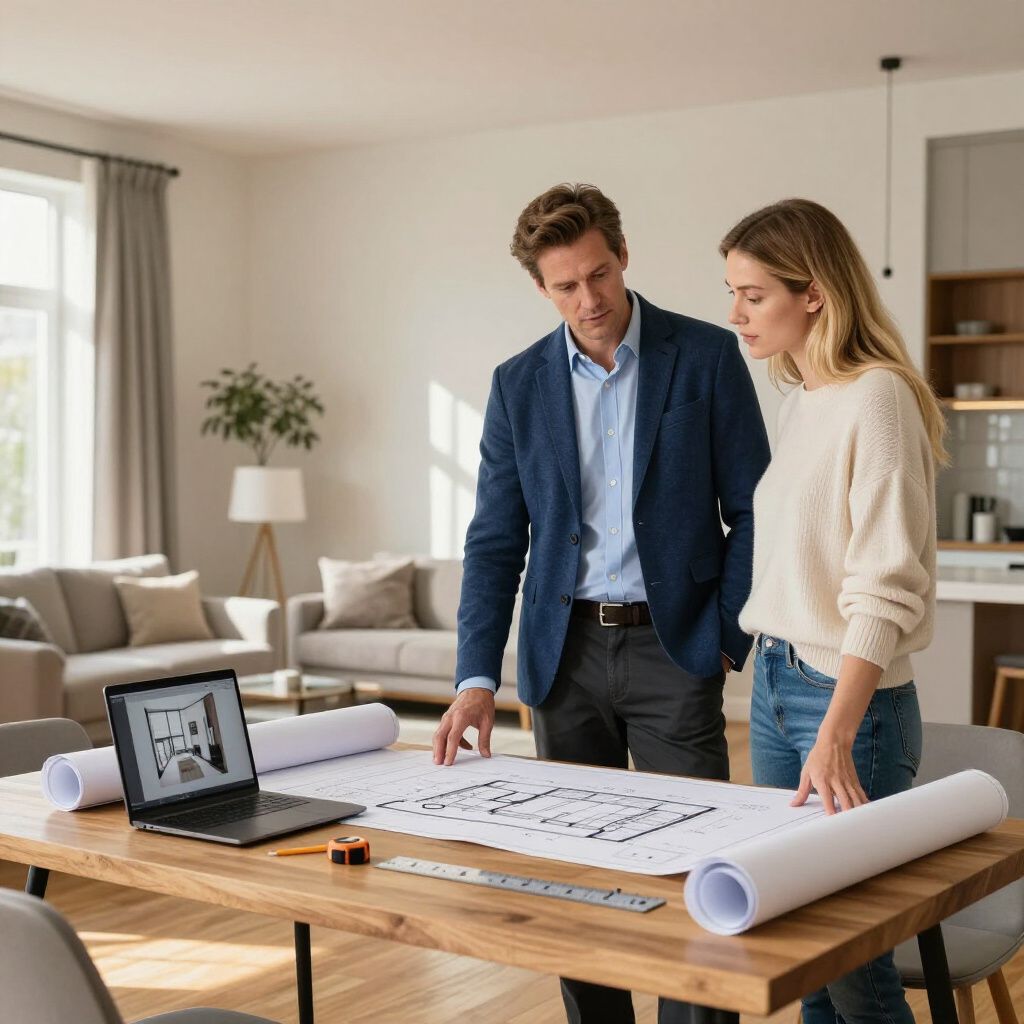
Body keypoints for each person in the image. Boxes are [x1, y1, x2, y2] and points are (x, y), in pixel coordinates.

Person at [432, 182, 770, 1024]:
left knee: (696, 869)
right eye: (565, 286)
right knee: (576, 880)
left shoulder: (703, 356)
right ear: (541, 289)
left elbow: (757, 506)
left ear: (623, 257)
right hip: (564, 656)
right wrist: (477, 676)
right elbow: (494, 541)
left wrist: (726, 638)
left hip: (675, 650)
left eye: (600, 275)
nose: (589, 300)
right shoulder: (519, 385)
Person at [723, 198, 946, 1024]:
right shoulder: (802, 400)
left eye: (753, 294)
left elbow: (885, 586)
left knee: (856, 969)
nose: (736, 313)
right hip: (779, 687)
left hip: (849, 703)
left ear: (812, 292)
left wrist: (837, 731)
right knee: (807, 955)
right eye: (733, 292)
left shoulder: (878, 397)